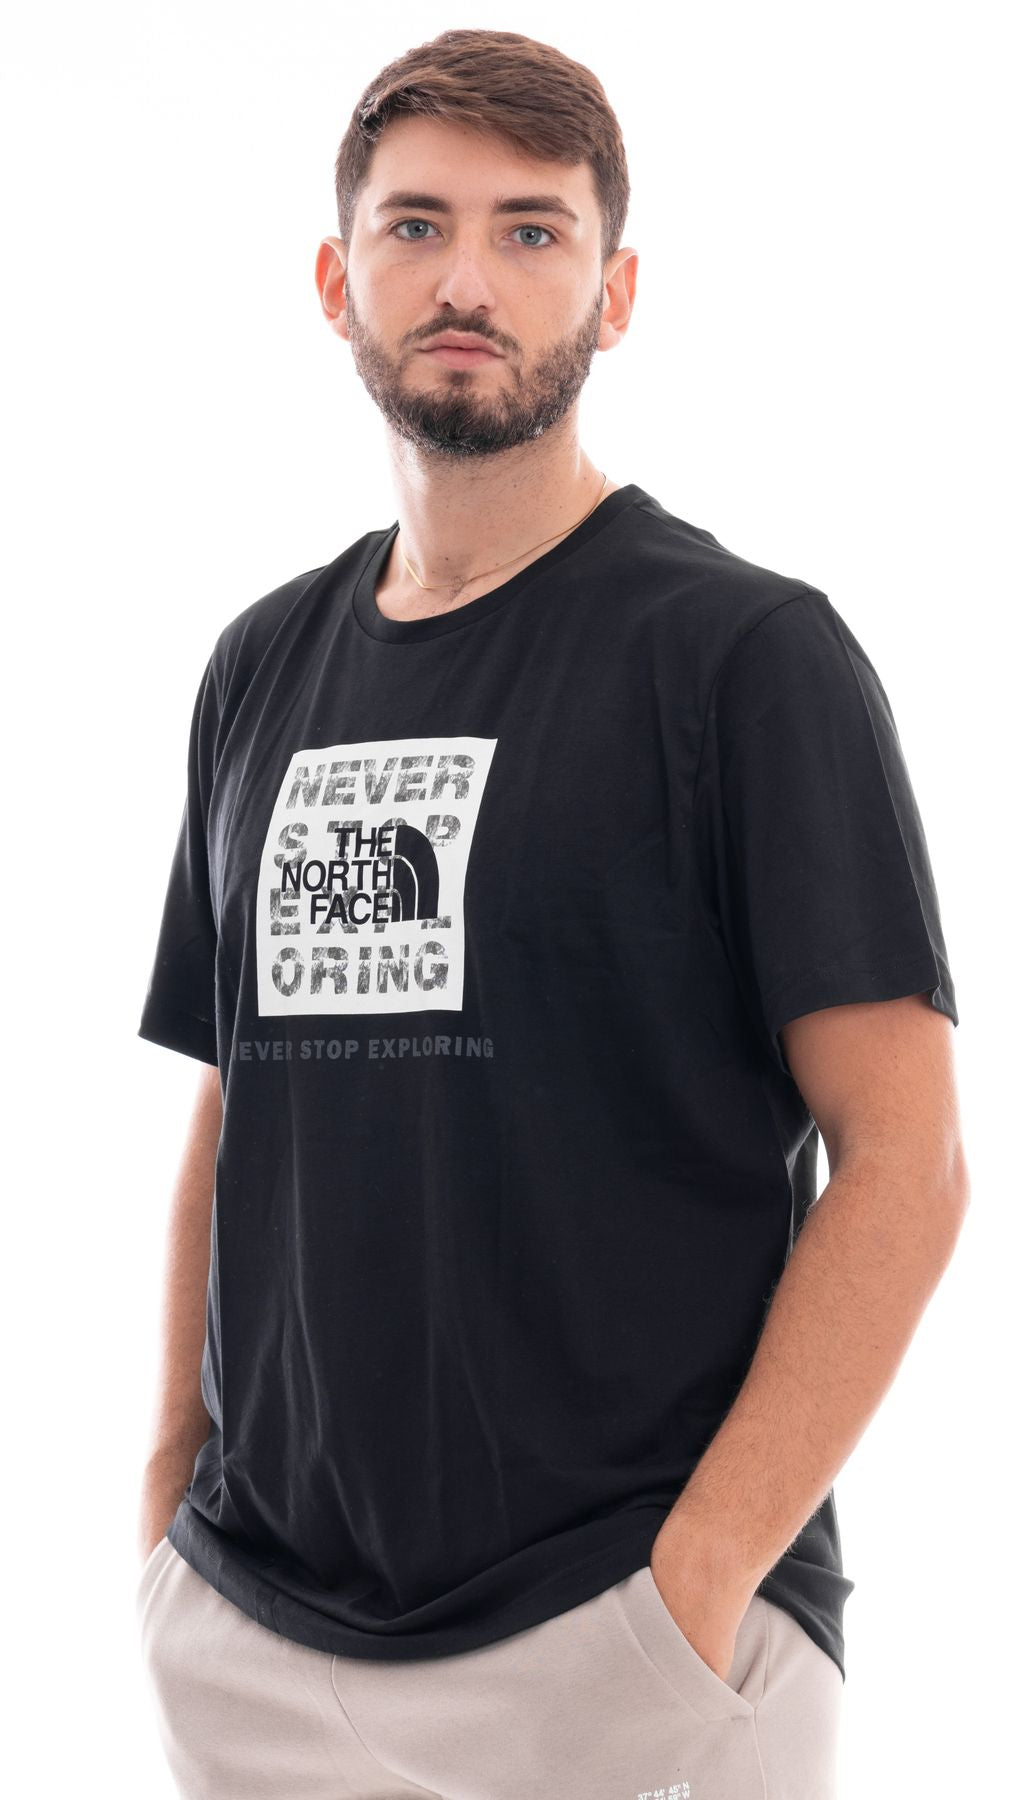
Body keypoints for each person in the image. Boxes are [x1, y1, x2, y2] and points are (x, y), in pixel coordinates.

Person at [134, 26, 969, 1800]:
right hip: (264, 1644)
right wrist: (163, 1514)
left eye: (532, 231)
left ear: (615, 290)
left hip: (626, 1640)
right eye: (416, 224)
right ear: (335, 279)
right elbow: (230, 1107)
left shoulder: (747, 657)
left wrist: (700, 1585)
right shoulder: (259, 666)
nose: (468, 279)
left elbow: (908, 1159)